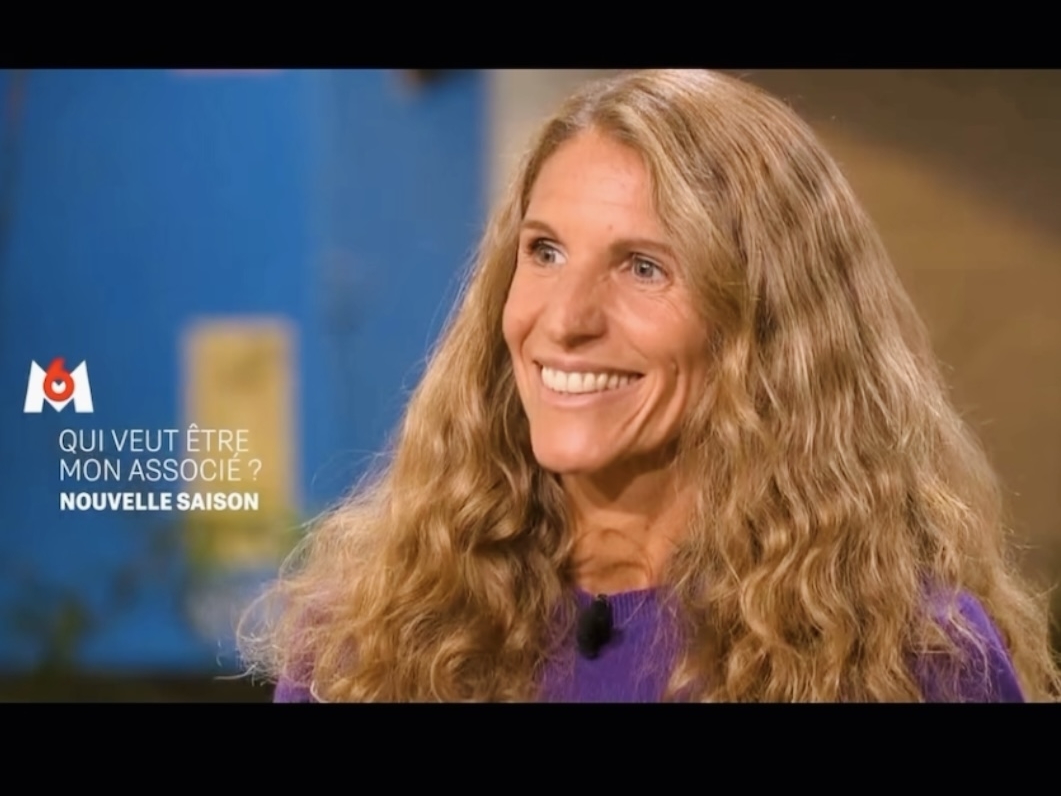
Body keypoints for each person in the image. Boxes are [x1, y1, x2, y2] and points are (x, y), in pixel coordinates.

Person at [240, 69, 1060, 702]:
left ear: (765, 325)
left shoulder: (909, 658)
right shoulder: (370, 645)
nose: (565, 319)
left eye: (642, 267)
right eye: (544, 251)